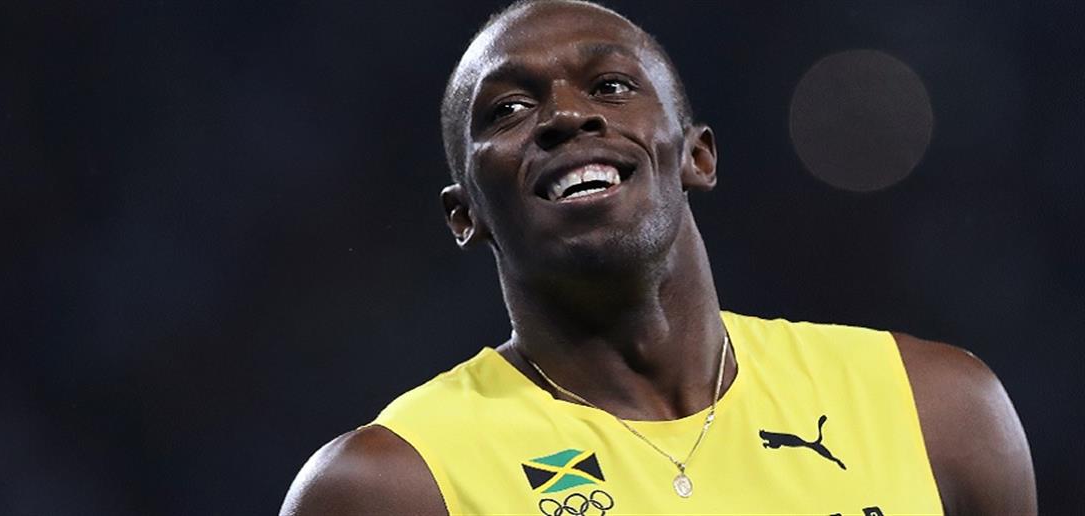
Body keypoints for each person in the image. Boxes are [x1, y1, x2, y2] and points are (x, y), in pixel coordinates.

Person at [281, 1, 1036, 514]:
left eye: (611, 86)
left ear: (696, 156)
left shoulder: (938, 408)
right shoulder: (392, 485)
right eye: (508, 109)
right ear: (465, 214)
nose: (567, 115)